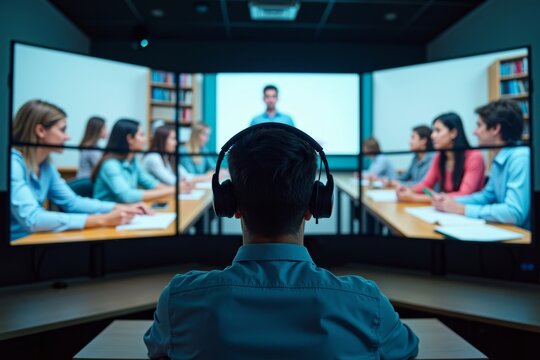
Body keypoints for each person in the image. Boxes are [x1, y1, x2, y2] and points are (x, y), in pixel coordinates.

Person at [144, 124, 419, 359]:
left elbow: (156, 348)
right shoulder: (366, 303)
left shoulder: (180, 300)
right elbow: (406, 349)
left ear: (230, 204)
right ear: (314, 204)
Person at [10, 100, 151, 241]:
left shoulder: (46, 165)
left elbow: (72, 202)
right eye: (62, 130)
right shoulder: (13, 164)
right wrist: (103, 220)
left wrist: (119, 208)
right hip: (14, 246)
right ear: (40, 131)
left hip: (33, 239)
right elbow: (33, 219)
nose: (68, 137)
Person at [433, 100, 530, 228]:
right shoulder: (499, 158)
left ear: (495, 128)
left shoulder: (520, 158)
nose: (475, 131)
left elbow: (513, 213)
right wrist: (450, 200)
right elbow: (486, 196)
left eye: (479, 125)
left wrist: (462, 209)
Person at [397, 113, 485, 203]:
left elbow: (464, 194)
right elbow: (426, 184)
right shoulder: (439, 156)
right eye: (433, 131)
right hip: (445, 209)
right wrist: (410, 190)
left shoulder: (474, 157)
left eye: (438, 131)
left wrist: (414, 198)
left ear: (453, 133)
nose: (432, 136)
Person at [93, 119, 183, 203]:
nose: (145, 139)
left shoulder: (133, 161)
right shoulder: (110, 165)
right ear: (130, 139)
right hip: (105, 217)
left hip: (126, 212)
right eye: (141, 135)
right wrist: (174, 189)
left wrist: (174, 190)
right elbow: (127, 196)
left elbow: (150, 182)